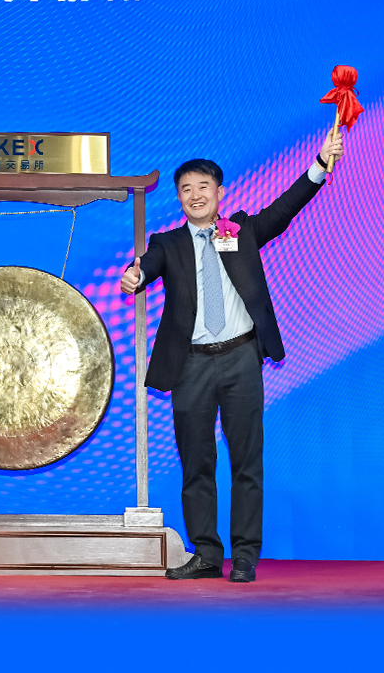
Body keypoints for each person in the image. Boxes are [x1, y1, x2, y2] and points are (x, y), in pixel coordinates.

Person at [121, 125, 343, 583]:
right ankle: (205, 553)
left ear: (219, 192)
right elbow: (147, 266)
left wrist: (321, 164)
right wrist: (134, 276)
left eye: (204, 186)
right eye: (187, 189)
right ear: (179, 198)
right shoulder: (167, 243)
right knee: (196, 463)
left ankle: (244, 555)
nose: (195, 195)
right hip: (190, 365)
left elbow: (285, 208)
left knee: (246, 461)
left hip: (241, 358)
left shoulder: (241, 230)